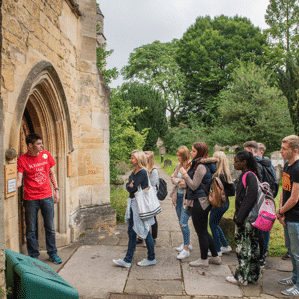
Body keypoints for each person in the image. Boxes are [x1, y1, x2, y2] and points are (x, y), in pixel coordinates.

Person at [17, 133, 62, 264]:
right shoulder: (22, 160)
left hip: (47, 196)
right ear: (30, 145)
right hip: (30, 198)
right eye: (38, 143)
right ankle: (33, 256)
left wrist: (57, 190)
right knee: (31, 229)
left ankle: (52, 253)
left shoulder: (46, 155)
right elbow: (19, 180)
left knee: (50, 227)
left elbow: (52, 173)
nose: (41, 145)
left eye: (41, 143)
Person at [180, 142, 221, 267]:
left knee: (201, 232)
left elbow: (193, 185)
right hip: (199, 201)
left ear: (199, 152)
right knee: (204, 231)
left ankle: (203, 260)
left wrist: (184, 174)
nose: (191, 153)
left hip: (200, 203)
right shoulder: (199, 164)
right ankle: (215, 256)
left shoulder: (201, 166)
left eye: (193, 151)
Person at [113, 150, 156, 267]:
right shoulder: (134, 172)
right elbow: (129, 187)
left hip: (139, 206)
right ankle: (127, 260)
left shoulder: (142, 172)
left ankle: (151, 258)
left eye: (133, 158)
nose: (131, 160)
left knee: (145, 231)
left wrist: (130, 185)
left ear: (139, 159)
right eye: (131, 158)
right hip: (133, 204)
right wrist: (130, 185)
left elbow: (132, 188)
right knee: (132, 231)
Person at [226, 150, 260, 286]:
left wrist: (239, 217)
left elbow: (250, 198)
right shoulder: (247, 175)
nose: (234, 164)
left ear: (244, 163)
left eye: (236, 161)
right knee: (251, 247)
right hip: (248, 218)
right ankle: (252, 275)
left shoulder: (249, 176)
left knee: (243, 248)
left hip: (246, 219)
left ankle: (241, 277)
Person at [243, 141, 278, 267]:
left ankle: (260, 256)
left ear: (252, 150)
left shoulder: (255, 163)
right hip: (269, 197)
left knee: (258, 227)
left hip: (259, 199)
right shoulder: (267, 162)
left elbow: (255, 183)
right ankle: (264, 252)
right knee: (265, 225)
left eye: (246, 150)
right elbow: (274, 180)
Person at [276, 135, 299, 296]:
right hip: (287, 215)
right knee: (291, 250)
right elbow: (285, 191)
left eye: (284, 149)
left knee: (297, 252)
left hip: (296, 218)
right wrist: (280, 210)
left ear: (295, 150)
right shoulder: (287, 165)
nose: (281, 151)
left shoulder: (298, 168)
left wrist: (281, 211)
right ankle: (295, 277)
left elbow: (295, 197)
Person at [208, 151, 235, 256]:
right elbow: (231, 191)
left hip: (219, 204)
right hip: (224, 203)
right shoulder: (225, 173)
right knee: (215, 224)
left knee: (212, 225)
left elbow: (230, 191)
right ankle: (225, 245)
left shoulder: (219, 175)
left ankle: (217, 250)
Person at [171, 146, 192, 259]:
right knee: (181, 222)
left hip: (186, 198)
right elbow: (172, 178)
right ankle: (187, 243)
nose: (177, 157)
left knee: (184, 222)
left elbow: (189, 183)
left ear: (184, 155)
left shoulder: (191, 166)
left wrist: (180, 182)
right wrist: (179, 181)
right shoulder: (178, 165)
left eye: (179, 155)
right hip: (178, 196)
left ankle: (186, 249)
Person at [145, 151, 159, 244]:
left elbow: (153, 186)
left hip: (150, 197)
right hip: (143, 196)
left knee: (152, 217)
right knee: (143, 217)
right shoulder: (143, 169)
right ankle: (142, 236)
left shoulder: (153, 171)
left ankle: (153, 237)